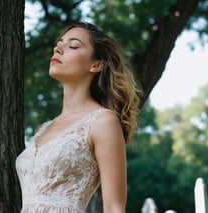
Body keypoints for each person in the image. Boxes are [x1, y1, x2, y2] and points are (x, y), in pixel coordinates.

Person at [16, 22, 142, 213]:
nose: (58, 48)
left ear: (96, 65)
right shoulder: (42, 130)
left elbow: (114, 207)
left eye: (73, 46)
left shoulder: (103, 122)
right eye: (59, 44)